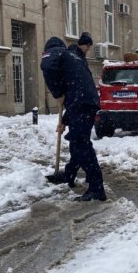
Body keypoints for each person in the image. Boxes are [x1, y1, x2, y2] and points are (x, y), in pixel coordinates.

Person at [40, 32, 106, 202]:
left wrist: (57, 93)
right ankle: (69, 175)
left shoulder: (56, 52)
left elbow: (47, 66)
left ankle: (97, 188)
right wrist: (64, 120)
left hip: (81, 103)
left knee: (81, 144)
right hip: (85, 102)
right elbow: (78, 88)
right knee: (78, 141)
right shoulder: (74, 58)